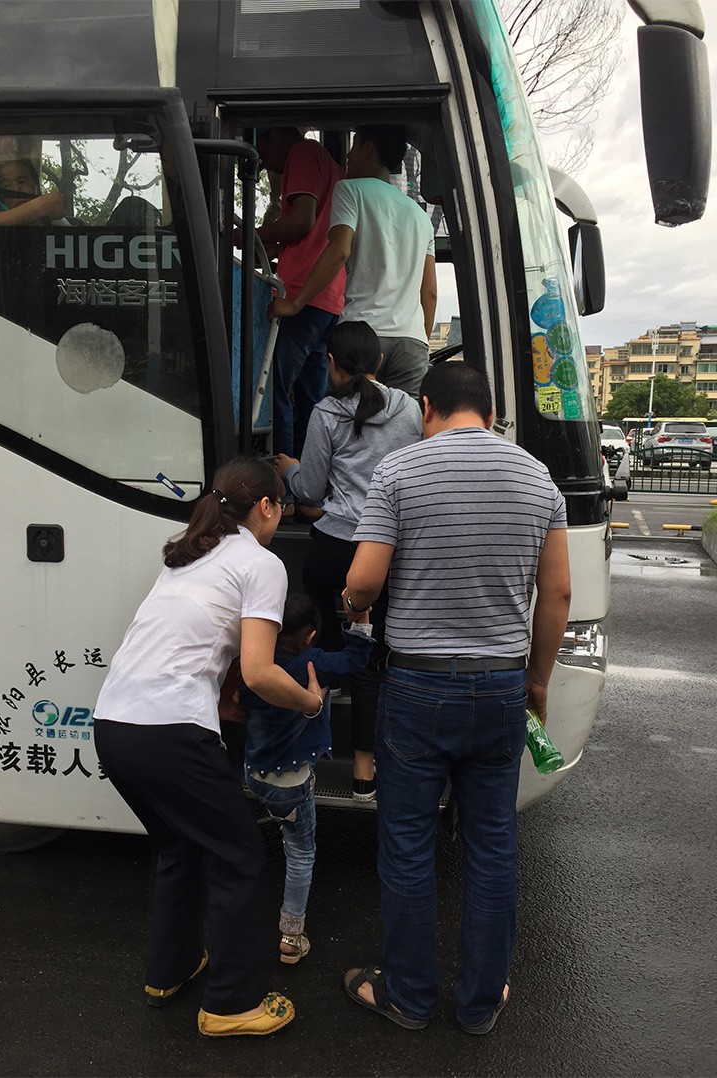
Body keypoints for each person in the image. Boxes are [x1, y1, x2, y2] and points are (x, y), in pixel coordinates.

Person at [339, 363, 571, 1033]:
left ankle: (409, 996)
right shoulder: (538, 478)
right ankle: (480, 1001)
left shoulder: (399, 472)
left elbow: (365, 582)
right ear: (491, 412)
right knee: (492, 846)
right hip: (501, 685)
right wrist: (536, 682)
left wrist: (350, 603)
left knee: (408, 844)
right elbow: (558, 593)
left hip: (417, 685)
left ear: (426, 407)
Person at [93, 456, 328, 1038]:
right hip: (171, 729)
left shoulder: (189, 556)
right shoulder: (260, 562)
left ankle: (169, 971)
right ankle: (231, 1004)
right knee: (238, 854)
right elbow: (260, 671)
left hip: (114, 723)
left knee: (179, 845)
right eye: (280, 506)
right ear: (267, 507)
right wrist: (309, 702)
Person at [274, 320, 422, 798]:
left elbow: (310, 490)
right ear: (380, 362)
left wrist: (289, 471)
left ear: (331, 364)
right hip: (388, 552)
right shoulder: (409, 409)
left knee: (317, 592)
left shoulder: (326, 412)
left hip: (337, 547)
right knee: (372, 656)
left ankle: (332, 670)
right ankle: (364, 771)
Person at [241, 594, 374, 964]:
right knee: (300, 854)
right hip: (291, 782)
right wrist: (361, 616)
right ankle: (290, 936)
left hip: (255, 772)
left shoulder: (254, 664)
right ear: (310, 637)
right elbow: (356, 658)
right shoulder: (312, 662)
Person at [269, 125, 437, 398]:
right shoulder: (420, 217)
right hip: (412, 342)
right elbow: (429, 292)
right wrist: (421, 341)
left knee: (350, 418)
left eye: (354, 144)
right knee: (404, 421)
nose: (347, 155)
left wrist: (295, 303)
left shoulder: (350, 190)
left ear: (368, 148)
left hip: (362, 337)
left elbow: (339, 251)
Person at [235, 128, 346, 457]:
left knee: (275, 393)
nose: (266, 164)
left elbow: (301, 221)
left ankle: (283, 479)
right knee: (313, 400)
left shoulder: (302, 152)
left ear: (274, 135)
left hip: (299, 294)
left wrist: (250, 234)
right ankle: (312, 477)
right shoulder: (332, 167)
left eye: (262, 152)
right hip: (327, 298)